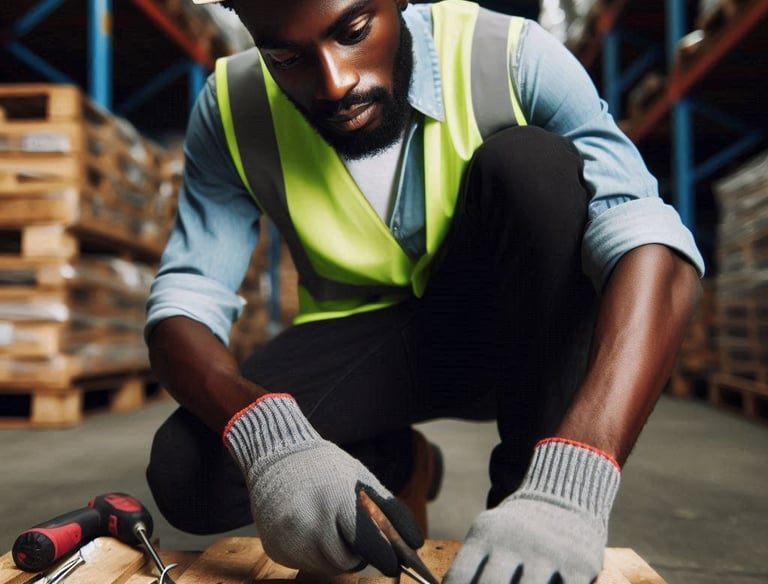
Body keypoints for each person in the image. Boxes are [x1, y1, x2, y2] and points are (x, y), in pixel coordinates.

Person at [144, 0, 704, 582]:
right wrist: (272, 442)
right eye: (286, 57)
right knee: (190, 471)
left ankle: (531, 504)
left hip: (523, 337)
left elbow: (652, 243)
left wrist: (574, 478)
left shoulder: (509, 56)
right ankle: (395, 463)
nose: (335, 83)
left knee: (536, 165)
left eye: (354, 31)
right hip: (370, 349)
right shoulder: (231, 107)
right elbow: (186, 299)